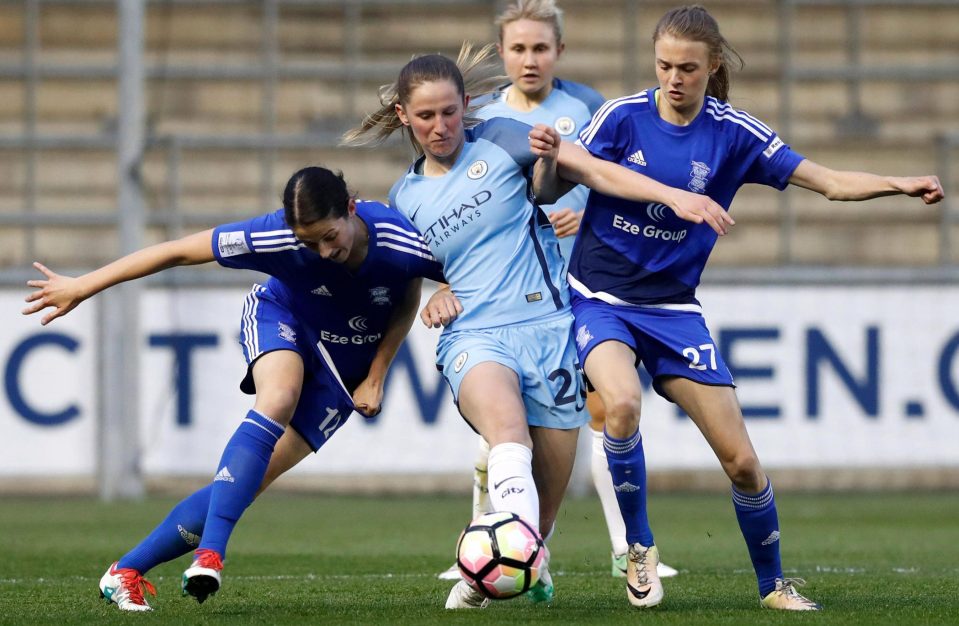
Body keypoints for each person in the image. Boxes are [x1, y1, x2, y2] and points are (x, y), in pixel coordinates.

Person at [534, 4, 945, 611]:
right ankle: (639, 544)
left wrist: (898, 184)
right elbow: (567, 172)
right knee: (620, 403)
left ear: (713, 66)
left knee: (744, 462)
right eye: (664, 64)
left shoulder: (735, 135)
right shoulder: (623, 116)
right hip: (601, 300)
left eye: (688, 68)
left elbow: (827, 180)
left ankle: (773, 586)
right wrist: (562, 161)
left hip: (674, 311)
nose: (673, 77)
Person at [344, 43, 728, 609]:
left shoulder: (500, 138)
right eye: (425, 116)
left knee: (542, 511)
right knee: (507, 434)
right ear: (404, 117)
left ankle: (526, 557)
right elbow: (412, 280)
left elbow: (591, 172)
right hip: (476, 336)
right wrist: (431, 302)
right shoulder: (405, 198)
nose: (440, 125)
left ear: (466, 104)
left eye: (450, 112)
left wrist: (673, 196)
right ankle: (484, 574)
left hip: (548, 327)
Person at [22, 166, 445, 611]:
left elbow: (424, 286)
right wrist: (84, 285)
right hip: (284, 317)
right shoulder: (273, 235)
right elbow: (178, 251)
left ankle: (124, 571)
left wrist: (379, 371)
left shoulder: (399, 239)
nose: (322, 252)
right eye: (308, 243)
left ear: (352, 210)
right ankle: (212, 555)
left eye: (329, 237)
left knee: (247, 482)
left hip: (346, 368)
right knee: (278, 397)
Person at [436, 0, 677, 583]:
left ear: (559, 52)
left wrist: (585, 211)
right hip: (512, 299)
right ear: (501, 52)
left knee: (603, 414)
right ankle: (489, 542)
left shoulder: (587, 108)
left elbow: (615, 181)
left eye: (540, 48)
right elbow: (457, 212)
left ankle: (625, 550)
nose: (529, 59)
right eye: (518, 48)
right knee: (505, 428)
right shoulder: (481, 119)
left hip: (586, 288)